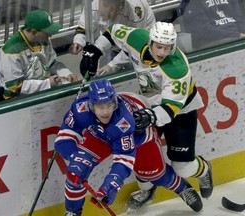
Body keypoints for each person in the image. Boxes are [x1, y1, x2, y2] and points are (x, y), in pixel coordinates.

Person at [78, 21, 214, 210]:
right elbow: (112, 31)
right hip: (149, 104)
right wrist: (95, 50)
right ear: (150, 41)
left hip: (180, 111)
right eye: (159, 46)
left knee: (182, 168)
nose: (162, 52)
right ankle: (147, 189)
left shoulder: (176, 69)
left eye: (167, 48)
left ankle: (203, 169)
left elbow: (170, 108)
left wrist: (150, 117)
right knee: (138, 151)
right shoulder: (136, 37)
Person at [55, 79, 203, 216]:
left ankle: (181, 187)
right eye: (100, 107)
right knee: (77, 172)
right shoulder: (80, 109)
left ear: (115, 103)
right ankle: (72, 212)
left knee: (154, 174)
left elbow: (124, 158)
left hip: (138, 135)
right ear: (91, 105)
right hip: (99, 135)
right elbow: (65, 137)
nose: (105, 112)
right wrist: (74, 156)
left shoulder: (124, 120)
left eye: (109, 105)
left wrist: (112, 184)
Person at [0, 10, 78, 99]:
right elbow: (14, 87)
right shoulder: (11, 51)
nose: (50, 35)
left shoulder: (43, 40)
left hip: (43, 89)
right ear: (34, 32)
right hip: (19, 99)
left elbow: (52, 64)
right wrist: (47, 84)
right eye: (47, 32)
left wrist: (66, 74)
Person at [69, 0, 155, 75]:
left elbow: (134, 46)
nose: (105, 20)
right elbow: (84, 27)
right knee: (102, 73)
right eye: (102, 16)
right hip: (111, 40)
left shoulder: (136, 12)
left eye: (108, 16)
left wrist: (112, 65)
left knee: (137, 75)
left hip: (144, 45)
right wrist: (78, 41)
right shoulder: (93, 5)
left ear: (120, 8)